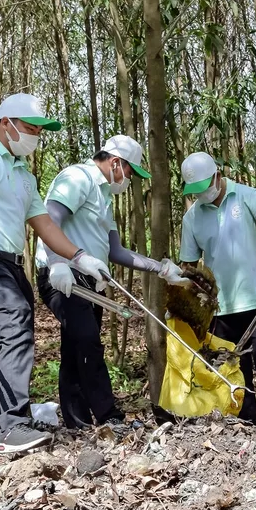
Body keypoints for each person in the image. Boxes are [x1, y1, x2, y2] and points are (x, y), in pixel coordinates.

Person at [0, 94, 109, 455]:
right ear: (6, 124)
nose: (33, 137)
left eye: (37, 131)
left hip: (14, 266)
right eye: (29, 129)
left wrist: (79, 257)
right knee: (15, 326)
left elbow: (44, 225)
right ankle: (11, 426)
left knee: (18, 338)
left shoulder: (25, 176)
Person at [35, 135, 190, 430]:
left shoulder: (104, 197)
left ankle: (76, 423)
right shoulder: (77, 178)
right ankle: (110, 417)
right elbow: (49, 219)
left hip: (88, 279)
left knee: (76, 347)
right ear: (116, 163)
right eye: (130, 172)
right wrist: (57, 264)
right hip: (63, 275)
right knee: (88, 343)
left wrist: (161, 269)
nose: (129, 180)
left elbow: (116, 251)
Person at [178, 151, 256, 427]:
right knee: (232, 375)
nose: (201, 195)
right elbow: (188, 264)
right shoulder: (192, 217)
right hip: (220, 310)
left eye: (204, 187)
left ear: (218, 176)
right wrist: (188, 284)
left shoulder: (248, 197)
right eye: (195, 191)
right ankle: (244, 431)